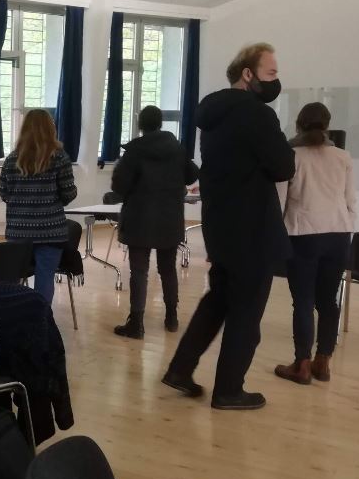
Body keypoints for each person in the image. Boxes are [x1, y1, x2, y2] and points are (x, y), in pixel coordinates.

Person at [161, 42, 295, 411]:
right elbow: (283, 167)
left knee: (218, 300)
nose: (276, 80)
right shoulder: (257, 115)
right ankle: (229, 390)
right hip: (253, 229)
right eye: (271, 73)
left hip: (221, 225)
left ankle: (180, 369)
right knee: (246, 313)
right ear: (248, 74)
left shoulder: (213, 113)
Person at [274, 102, 356, 384]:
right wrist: (346, 225)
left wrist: (277, 234)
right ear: (328, 125)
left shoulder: (291, 156)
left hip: (303, 234)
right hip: (339, 234)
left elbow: (280, 200)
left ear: (298, 124)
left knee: (304, 301)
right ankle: (323, 362)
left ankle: (302, 365)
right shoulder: (343, 156)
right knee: (328, 301)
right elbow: (350, 200)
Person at [111, 105, 199, 338]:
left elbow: (119, 186)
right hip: (169, 218)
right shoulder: (176, 148)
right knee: (168, 269)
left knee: (139, 271)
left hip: (139, 218)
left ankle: (136, 324)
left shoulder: (134, 151)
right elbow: (192, 174)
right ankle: (171, 318)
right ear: (160, 123)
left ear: (141, 125)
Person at [0, 109, 78, 304]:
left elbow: (3, 192)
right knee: (45, 278)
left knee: (13, 278)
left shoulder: (12, 159)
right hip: (51, 231)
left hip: (18, 231)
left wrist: (21, 202)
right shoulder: (60, 158)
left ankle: (16, 315)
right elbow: (69, 193)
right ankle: (42, 317)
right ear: (51, 129)